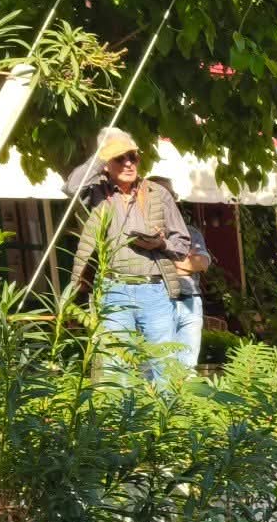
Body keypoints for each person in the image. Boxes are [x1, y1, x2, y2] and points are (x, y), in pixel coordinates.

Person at [70, 129, 191, 367]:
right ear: (106, 163)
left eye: (132, 157)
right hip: (112, 289)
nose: (128, 163)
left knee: (163, 365)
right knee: (115, 366)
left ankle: (163, 396)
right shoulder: (95, 193)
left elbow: (182, 244)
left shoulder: (157, 193)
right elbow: (72, 186)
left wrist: (161, 243)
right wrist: (102, 153)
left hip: (154, 289)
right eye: (119, 158)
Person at [147, 177, 211, 373]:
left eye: (169, 195)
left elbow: (202, 263)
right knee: (158, 367)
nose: (165, 200)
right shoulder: (144, 234)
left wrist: (164, 259)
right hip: (159, 301)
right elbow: (148, 269)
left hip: (191, 301)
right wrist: (185, 264)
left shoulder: (190, 232)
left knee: (187, 368)